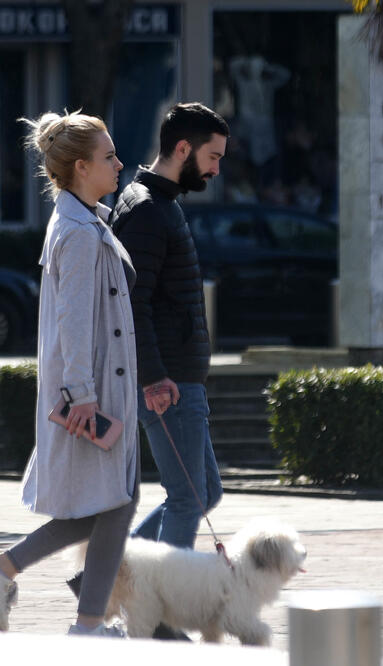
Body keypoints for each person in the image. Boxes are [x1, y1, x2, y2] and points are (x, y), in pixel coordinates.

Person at [0, 110, 136, 637]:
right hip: (92, 392)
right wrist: (82, 395)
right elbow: (71, 322)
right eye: (108, 157)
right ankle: (82, 621)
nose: (119, 164)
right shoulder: (78, 231)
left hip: (101, 386)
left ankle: (83, 620)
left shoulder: (82, 220)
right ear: (81, 167)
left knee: (112, 505)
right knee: (111, 505)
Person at [111, 103, 229, 551]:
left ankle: (106, 575)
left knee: (205, 493)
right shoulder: (148, 210)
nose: (217, 169)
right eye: (213, 157)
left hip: (178, 378)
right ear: (183, 148)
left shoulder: (155, 203)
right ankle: (160, 618)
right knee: (188, 498)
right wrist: (154, 378)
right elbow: (131, 304)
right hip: (171, 383)